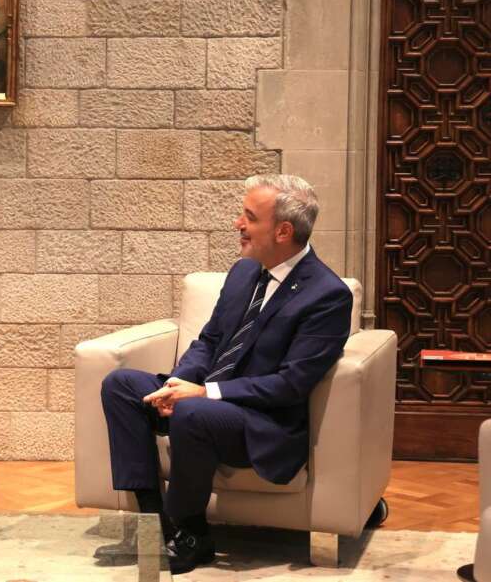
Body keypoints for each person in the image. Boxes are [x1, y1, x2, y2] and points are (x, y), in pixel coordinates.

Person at [96, 174, 353, 574]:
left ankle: (191, 532)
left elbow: (291, 385)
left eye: (249, 216)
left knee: (194, 413)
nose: (238, 223)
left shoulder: (327, 295)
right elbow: (210, 341)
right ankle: (155, 524)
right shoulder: (243, 272)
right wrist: (176, 384)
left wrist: (204, 394)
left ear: (283, 230)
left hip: (260, 422)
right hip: (203, 400)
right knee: (121, 384)